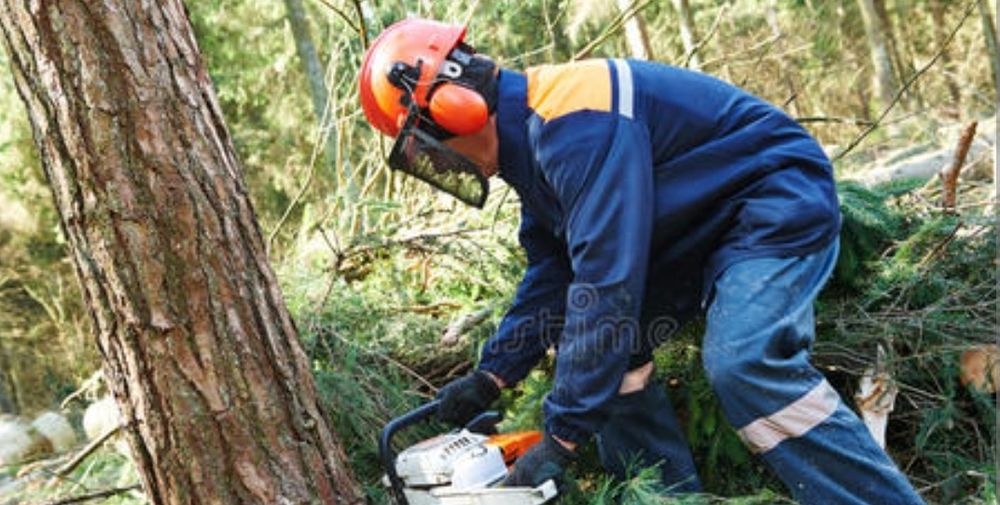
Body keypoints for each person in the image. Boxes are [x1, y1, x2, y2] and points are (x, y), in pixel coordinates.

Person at [357, 18, 925, 504]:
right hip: (693, 228)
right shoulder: (531, 140)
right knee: (615, 354)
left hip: (771, 200)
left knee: (743, 363)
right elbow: (553, 274)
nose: (437, 162)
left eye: (426, 144)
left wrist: (561, 439)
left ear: (455, 108)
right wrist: (492, 375)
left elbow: (605, 281)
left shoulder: (576, 124)